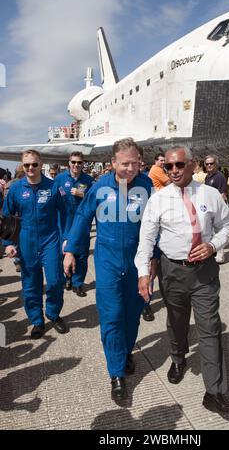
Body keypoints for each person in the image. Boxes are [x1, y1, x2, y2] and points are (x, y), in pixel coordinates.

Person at [135, 145, 229, 416]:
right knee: (177, 322)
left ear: (192, 164)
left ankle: (214, 392)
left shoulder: (210, 194)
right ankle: (178, 359)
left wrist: (213, 245)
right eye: (168, 166)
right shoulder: (158, 199)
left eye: (179, 165)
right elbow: (146, 238)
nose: (174, 171)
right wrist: (143, 272)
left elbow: (228, 223)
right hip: (173, 272)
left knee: (210, 328)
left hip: (204, 273)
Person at [63, 138, 154, 400]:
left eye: (135, 163)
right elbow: (82, 217)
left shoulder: (146, 185)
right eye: (125, 163)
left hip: (137, 263)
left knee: (132, 314)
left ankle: (125, 353)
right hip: (108, 262)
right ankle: (116, 374)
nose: (130, 168)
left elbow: (154, 226)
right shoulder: (100, 187)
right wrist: (70, 251)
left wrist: (154, 261)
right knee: (113, 316)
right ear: (113, 163)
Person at [2, 149, 71, 339]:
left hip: (50, 240)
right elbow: (6, 217)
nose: (31, 168)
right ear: (23, 167)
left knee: (56, 281)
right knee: (31, 284)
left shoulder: (54, 187)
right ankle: (37, 321)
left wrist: (66, 239)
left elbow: (64, 214)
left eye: (34, 164)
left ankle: (53, 314)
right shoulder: (16, 189)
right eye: (27, 165)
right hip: (26, 242)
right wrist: (7, 243)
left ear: (41, 164)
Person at [55, 152, 94, 296]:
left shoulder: (88, 180)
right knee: (64, 252)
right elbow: (55, 196)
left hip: (82, 221)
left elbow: (94, 199)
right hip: (64, 221)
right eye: (73, 162)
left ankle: (78, 283)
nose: (76, 165)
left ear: (83, 164)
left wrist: (81, 194)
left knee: (82, 254)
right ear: (69, 163)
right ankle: (68, 278)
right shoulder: (60, 179)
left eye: (79, 162)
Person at [204, 154, 227, 264]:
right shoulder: (207, 177)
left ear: (216, 164)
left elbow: (222, 194)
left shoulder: (219, 177)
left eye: (211, 163)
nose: (209, 165)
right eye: (207, 164)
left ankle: (221, 255)